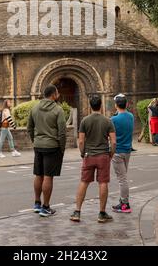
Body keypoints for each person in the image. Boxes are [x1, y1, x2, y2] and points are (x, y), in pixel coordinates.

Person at [70, 95, 116, 223]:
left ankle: (77, 212)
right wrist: (110, 154)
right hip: (103, 156)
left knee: (84, 182)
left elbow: (81, 141)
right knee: (103, 183)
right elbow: (113, 142)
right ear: (100, 105)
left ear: (90, 106)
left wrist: (83, 153)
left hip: (89, 155)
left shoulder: (85, 121)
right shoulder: (108, 121)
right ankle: (101, 213)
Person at [27, 84, 66, 217]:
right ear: (53, 95)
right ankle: (46, 207)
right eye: (57, 93)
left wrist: (35, 140)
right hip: (52, 146)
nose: (58, 95)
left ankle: (37, 203)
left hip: (38, 146)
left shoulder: (35, 107)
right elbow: (62, 133)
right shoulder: (58, 110)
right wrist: (62, 148)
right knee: (48, 176)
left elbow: (29, 128)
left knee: (39, 174)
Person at [111, 94, 134, 213]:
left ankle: (125, 204)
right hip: (127, 150)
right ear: (127, 104)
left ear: (116, 105)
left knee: (122, 179)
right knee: (123, 177)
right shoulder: (131, 116)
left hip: (118, 151)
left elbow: (110, 136)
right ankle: (122, 201)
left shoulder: (113, 120)